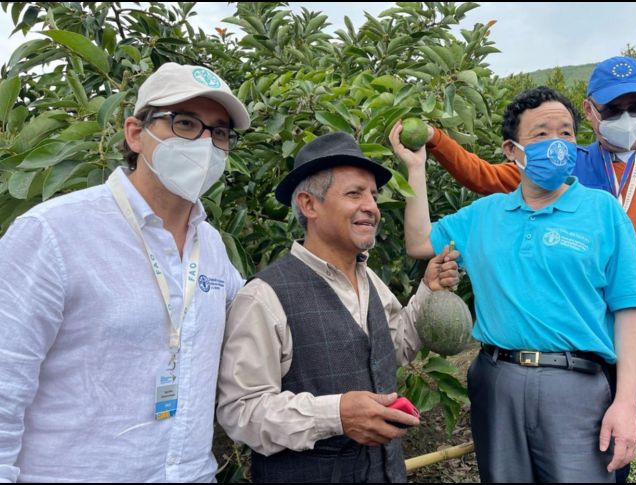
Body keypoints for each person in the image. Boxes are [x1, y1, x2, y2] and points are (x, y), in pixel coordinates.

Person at [418, 56, 636, 483]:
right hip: (601, 349)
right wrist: (434, 140)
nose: (627, 116)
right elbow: (486, 177)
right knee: (604, 465)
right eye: (613, 108)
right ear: (591, 111)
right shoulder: (563, 161)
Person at [0, 62, 250, 482]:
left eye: (220, 132)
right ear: (135, 133)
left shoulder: (209, 246)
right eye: (185, 123)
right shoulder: (52, 233)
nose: (206, 144)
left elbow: (257, 321)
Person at [389, 86, 636, 483]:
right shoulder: (484, 214)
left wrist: (627, 405)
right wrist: (416, 167)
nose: (557, 143)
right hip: (497, 380)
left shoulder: (603, 211)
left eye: (566, 133)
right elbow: (420, 241)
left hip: (576, 383)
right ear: (512, 150)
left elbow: (630, 312)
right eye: (542, 134)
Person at [216, 132, 460, 483]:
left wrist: (428, 289)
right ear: (309, 205)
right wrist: (335, 415)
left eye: (373, 195)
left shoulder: (370, 280)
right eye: (354, 194)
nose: (372, 206)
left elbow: (393, 349)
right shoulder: (263, 297)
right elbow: (241, 411)